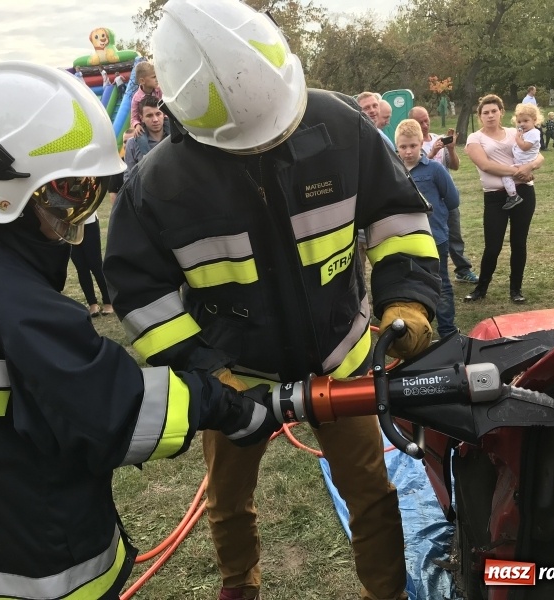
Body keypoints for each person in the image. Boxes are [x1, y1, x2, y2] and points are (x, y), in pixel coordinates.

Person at [104, 2, 441, 599]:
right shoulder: (158, 185)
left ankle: (385, 593)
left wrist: (408, 301)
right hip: (236, 376)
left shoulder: (340, 126)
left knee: (371, 492)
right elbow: (140, 292)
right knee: (228, 501)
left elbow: (398, 218)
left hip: (343, 357)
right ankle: (240, 588)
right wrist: (210, 375)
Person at [0, 61, 281, 600]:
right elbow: (116, 410)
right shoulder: (20, 305)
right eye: (66, 193)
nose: (77, 213)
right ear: (4, 191)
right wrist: (228, 406)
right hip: (36, 563)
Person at [463, 94, 544, 304]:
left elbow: (539, 155)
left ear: (501, 112)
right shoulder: (475, 138)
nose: (490, 116)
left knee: (519, 242)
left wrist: (530, 167)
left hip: (524, 192)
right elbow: (486, 165)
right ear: (479, 116)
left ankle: (516, 290)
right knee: (493, 245)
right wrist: (517, 171)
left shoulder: (515, 131)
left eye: (494, 111)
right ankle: (481, 288)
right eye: (485, 112)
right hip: (495, 197)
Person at [395, 118, 459, 338]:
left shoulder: (435, 169)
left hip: (435, 237)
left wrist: (436, 213)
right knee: (411, 285)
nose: (408, 151)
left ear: (421, 143)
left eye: (413, 145)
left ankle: (448, 331)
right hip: (405, 238)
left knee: (440, 282)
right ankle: (416, 332)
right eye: (403, 146)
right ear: (397, 147)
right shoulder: (392, 172)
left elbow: (452, 200)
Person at [409, 105, 479, 285]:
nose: (425, 124)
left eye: (426, 120)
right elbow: (416, 169)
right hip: (428, 200)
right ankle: (434, 274)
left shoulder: (437, 138)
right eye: (420, 121)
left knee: (455, 233)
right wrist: (431, 153)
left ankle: (462, 269)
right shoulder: (413, 146)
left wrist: (451, 149)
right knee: (434, 238)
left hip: (446, 196)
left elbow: (454, 166)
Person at [501, 103, 543, 210]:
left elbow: (525, 147)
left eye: (526, 121)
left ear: (534, 120)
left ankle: (513, 196)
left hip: (524, 162)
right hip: (521, 161)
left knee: (506, 176)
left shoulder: (534, 133)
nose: (522, 124)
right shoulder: (525, 132)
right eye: (519, 122)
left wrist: (517, 138)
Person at [124, 95, 170, 178]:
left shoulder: (176, 137)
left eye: (158, 114)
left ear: (163, 115)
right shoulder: (132, 144)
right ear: (141, 118)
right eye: (149, 116)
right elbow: (129, 177)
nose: (155, 120)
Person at [130, 61, 162, 136]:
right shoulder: (136, 98)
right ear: (142, 81)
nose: (157, 79)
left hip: (161, 121)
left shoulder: (159, 90)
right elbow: (134, 118)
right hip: (145, 126)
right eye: (154, 77)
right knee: (140, 138)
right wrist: (137, 125)